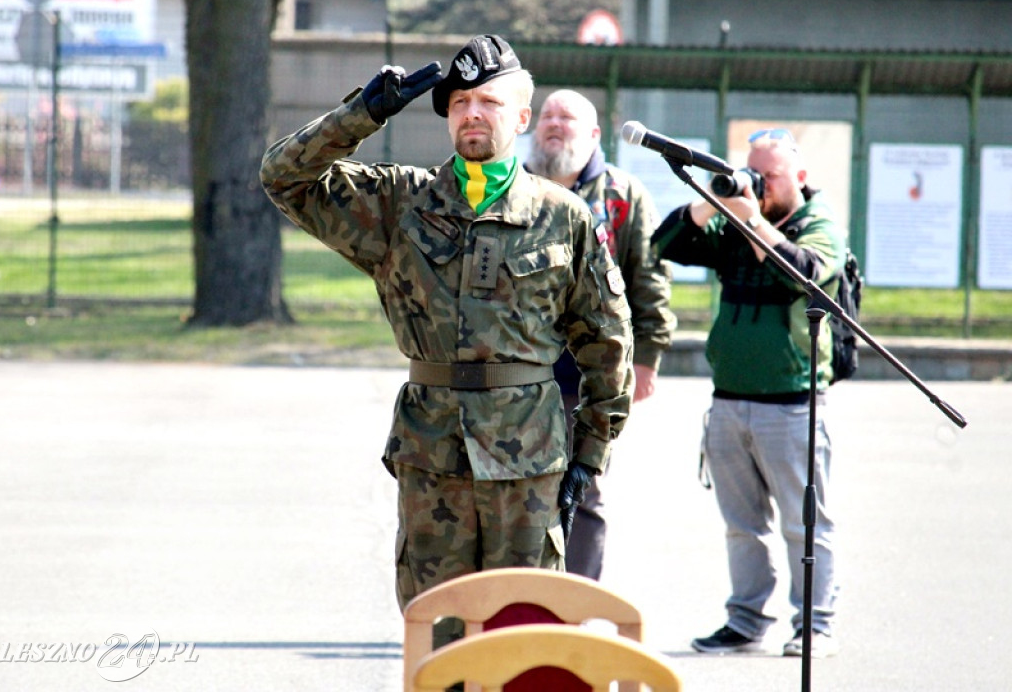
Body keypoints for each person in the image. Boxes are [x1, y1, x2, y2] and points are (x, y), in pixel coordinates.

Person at [260, 35, 634, 620]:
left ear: (521, 116)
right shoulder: (400, 202)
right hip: (432, 452)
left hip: (529, 459)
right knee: (438, 629)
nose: (472, 114)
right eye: (458, 103)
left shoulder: (563, 215)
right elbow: (284, 177)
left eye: (487, 101)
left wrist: (590, 454)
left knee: (525, 627)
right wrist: (361, 115)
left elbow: (606, 341)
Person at [650, 127, 845, 658]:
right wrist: (708, 206)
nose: (759, 182)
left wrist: (754, 219)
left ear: (800, 177)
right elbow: (663, 246)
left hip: (792, 402)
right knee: (743, 526)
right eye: (753, 171)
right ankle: (746, 620)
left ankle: (815, 626)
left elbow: (804, 275)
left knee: (806, 523)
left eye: (771, 175)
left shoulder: (818, 224)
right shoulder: (736, 219)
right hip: (730, 399)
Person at [526, 89, 675, 580]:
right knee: (514, 491)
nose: (553, 123)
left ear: (593, 135)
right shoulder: (513, 186)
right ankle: (516, 604)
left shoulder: (622, 195)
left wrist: (647, 358)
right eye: (546, 114)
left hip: (593, 375)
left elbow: (649, 278)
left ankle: (577, 602)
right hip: (517, 371)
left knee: (584, 490)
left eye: (566, 117)